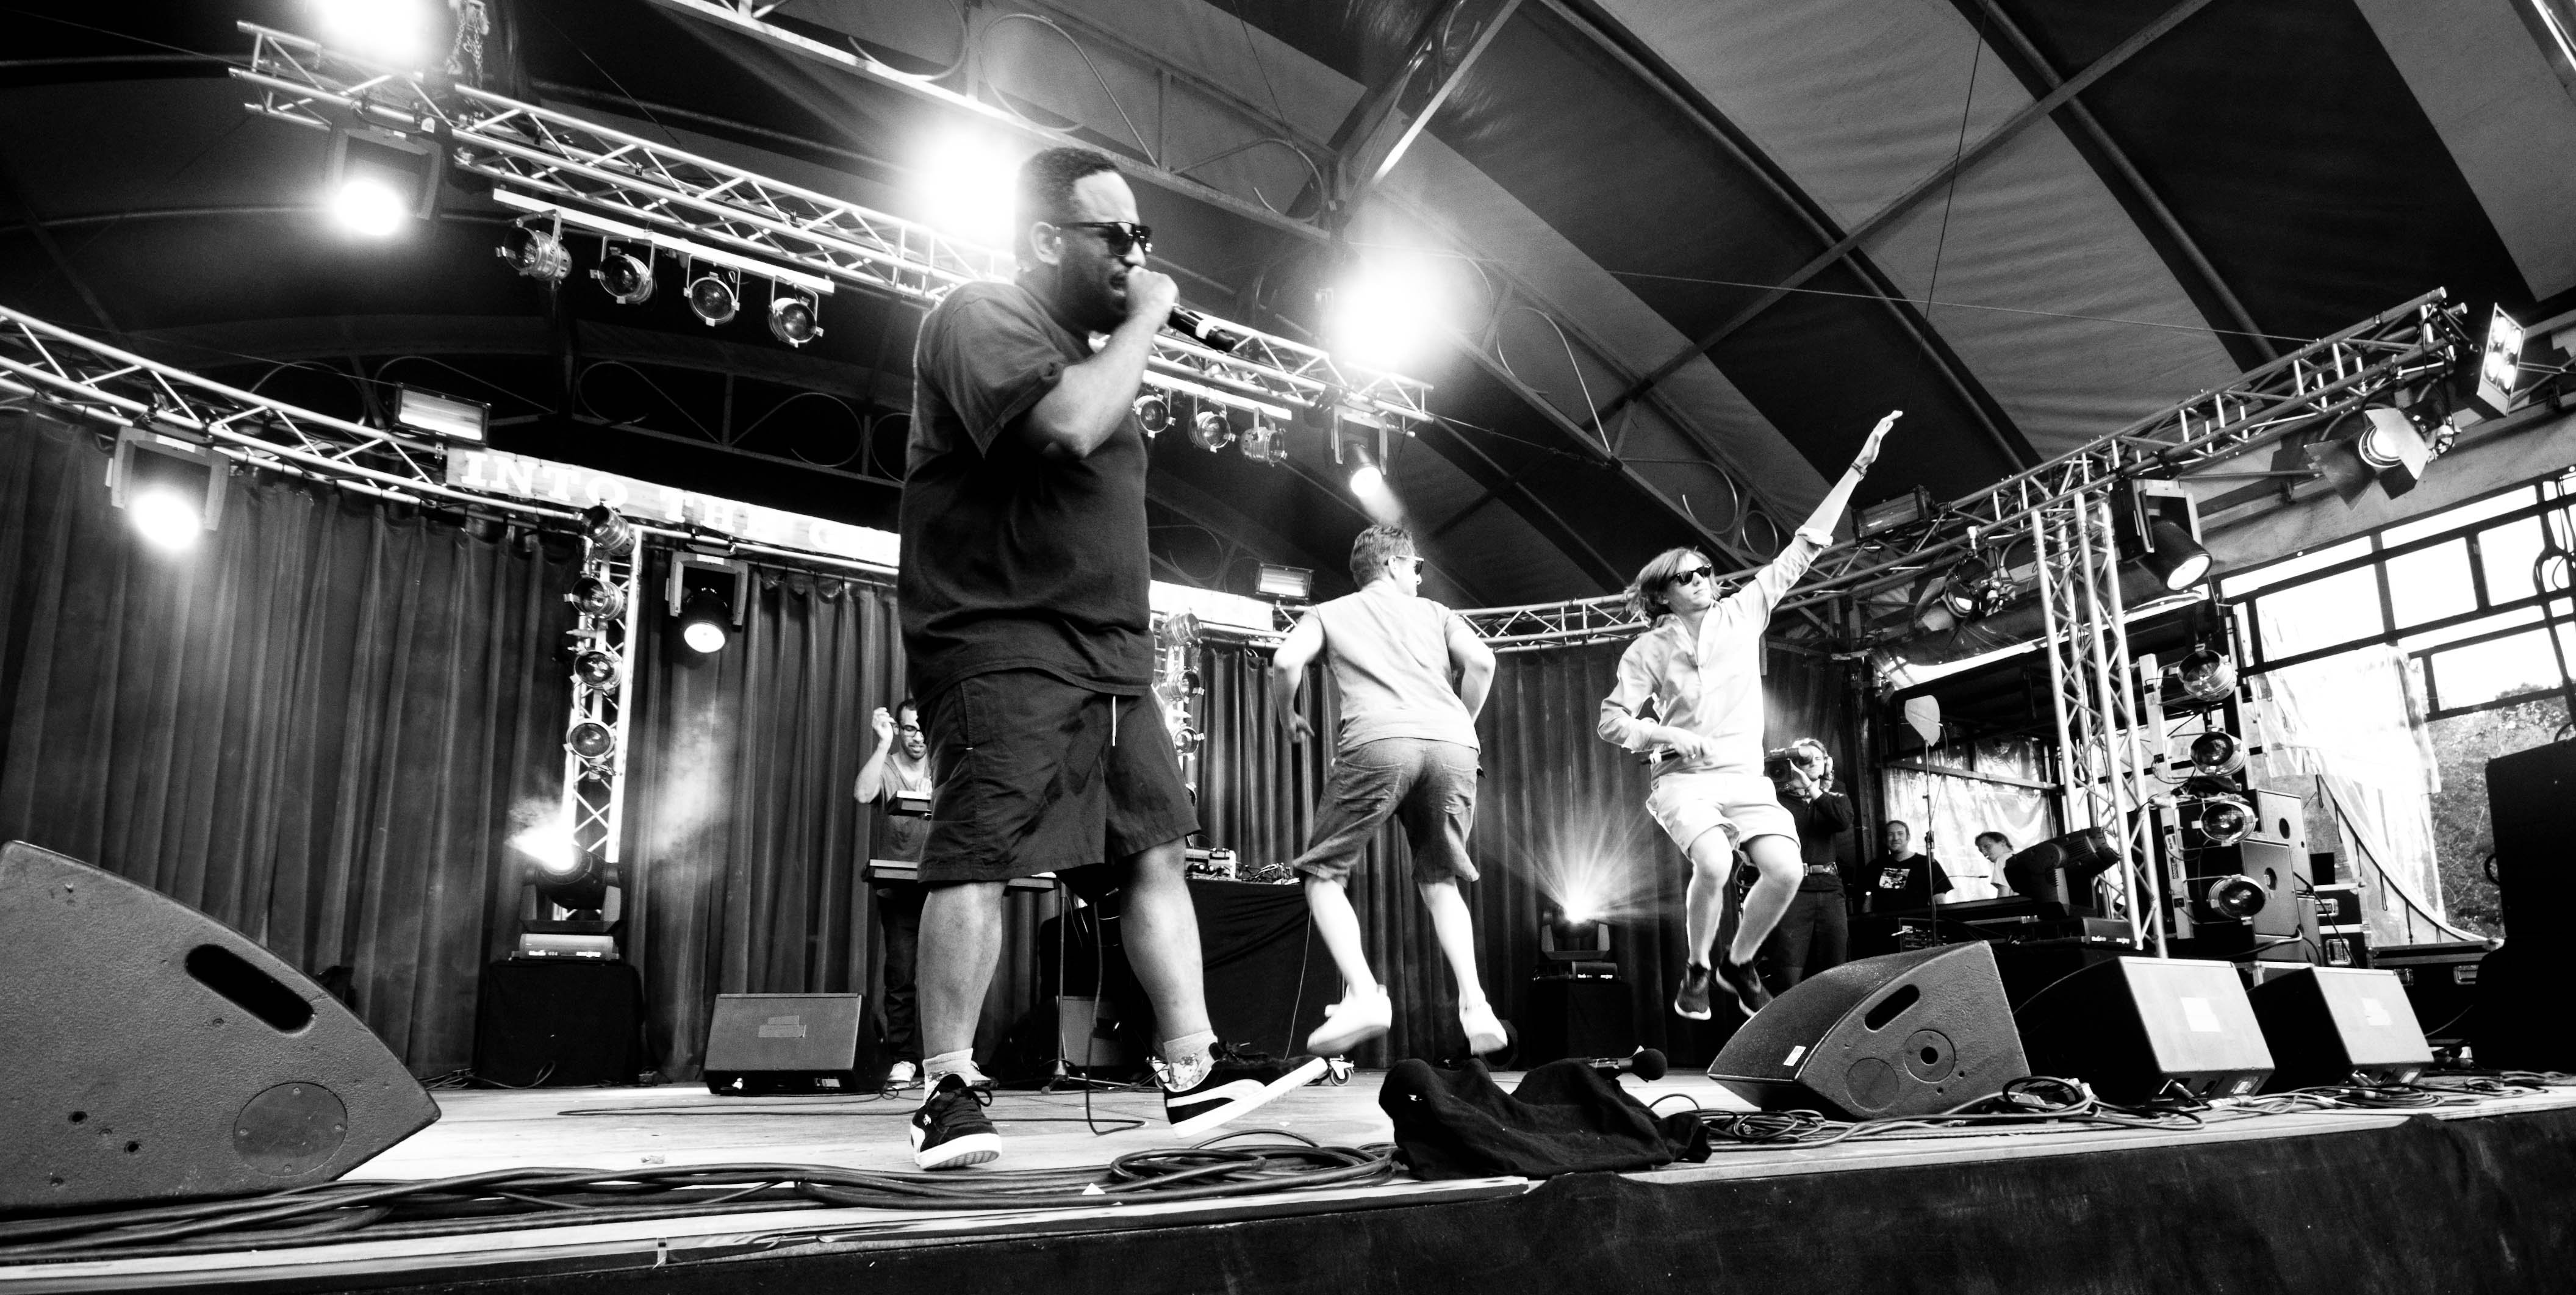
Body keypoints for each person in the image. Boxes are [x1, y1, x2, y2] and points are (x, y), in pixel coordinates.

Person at [897, 145, 1320, 1169]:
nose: (1138, 254)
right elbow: (1064, 429)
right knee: (980, 853)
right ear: (1047, 238)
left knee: (1153, 849)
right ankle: (946, 1087)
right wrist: (1146, 319)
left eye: (1145, 237)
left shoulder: (1093, 353)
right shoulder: (980, 314)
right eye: (1118, 235)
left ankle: (1192, 1063)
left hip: (1111, 655)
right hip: (1003, 633)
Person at [1599, 411, 1901, 1019]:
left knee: (1785, 871)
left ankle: (1737, 964)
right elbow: (1612, 722)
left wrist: (1857, 468)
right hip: (1683, 780)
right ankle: (1697, 968)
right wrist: (1665, 731)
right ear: (1663, 594)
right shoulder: (1648, 650)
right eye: (1687, 576)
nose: (1703, 579)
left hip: (1743, 776)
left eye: (1706, 571)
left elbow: (1805, 546)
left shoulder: (1743, 613)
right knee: (1712, 861)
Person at [1269, 525, 1501, 1058]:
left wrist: (1287, 715)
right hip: (1454, 748)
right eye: (1415, 567)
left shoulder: (1328, 612)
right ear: (1394, 564)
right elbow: (1483, 662)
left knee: (1321, 874)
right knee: (1441, 880)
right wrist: (1460, 722)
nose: (1419, 578)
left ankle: (1363, 995)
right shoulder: (1437, 614)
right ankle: (1476, 1005)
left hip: (1378, 741)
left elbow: (1285, 662)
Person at [853, 700, 931, 1089]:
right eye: (909, 729)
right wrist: (882, 744)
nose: (918, 737)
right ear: (899, 730)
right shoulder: (887, 766)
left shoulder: (945, 767)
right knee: (900, 976)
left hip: (942, 888)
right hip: (899, 891)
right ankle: (904, 1058)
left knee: (948, 976)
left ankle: (949, 1060)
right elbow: (862, 794)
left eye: (923, 728)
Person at [1754, 741, 1854, 994]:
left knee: (1835, 970)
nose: (1812, 764)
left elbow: (1843, 821)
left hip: (1830, 890)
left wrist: (1811, 787)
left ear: (1827, 764)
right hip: (1793, 892)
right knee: (1788, 973)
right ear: (1793, 764)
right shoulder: (1777, 797)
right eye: (1806, 760)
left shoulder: (1836, 793)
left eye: (1818, 759)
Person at [1865, 819, 1954, 912]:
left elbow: (1939, 901)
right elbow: (1868, 901)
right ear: (1884, 840)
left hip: (1919, 920)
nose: (1896, 838)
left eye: (1900, 834)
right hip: (1886, 920)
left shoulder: (1928, 863)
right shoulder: (1875, 866)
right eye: (1891, 834)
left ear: (1908, 838)